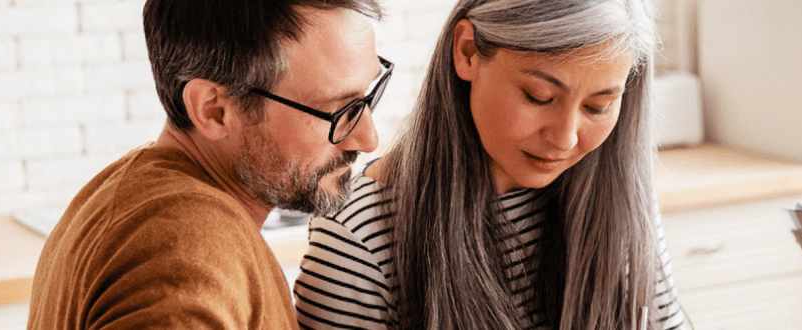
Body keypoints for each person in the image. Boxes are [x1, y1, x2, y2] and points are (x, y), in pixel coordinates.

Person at [291, 0, 688, 329]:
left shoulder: (617, 193)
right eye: (538, 96)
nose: (565, 139)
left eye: (597, 107)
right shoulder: (358, 234)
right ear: (467, 51)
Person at [27, 0, 388, 328]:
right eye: (338, 110)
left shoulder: (132, 195)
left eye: (368, 95)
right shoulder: (186, 252)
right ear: (214, 110)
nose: (367, 139)